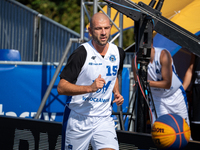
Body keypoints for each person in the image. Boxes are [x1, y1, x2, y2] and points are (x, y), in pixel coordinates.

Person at [57, 12, 125, 150]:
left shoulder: (118, 52)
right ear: (90, 31)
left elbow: (113, 76)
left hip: (104, 118)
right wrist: (90, 88)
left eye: (106, 28)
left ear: (111, 27)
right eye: (98, 29)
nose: (103, 32)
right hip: (78, 118)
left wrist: (116, 92)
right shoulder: (81, 53)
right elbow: (61, 88)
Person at [132, 45, 190, 126]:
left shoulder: (163, 54)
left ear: (151, 43)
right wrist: (139, 84)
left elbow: (167, 84)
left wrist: (146, 83)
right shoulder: (136, 59)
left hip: (175, 96)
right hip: (157, 98)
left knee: (184, 130)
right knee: (160, 130)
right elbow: (138, 81)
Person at [183, 38, 200, 141]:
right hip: (197, 94)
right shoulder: (196, 41)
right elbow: (190, 69)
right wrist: (182, 90)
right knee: (196, 131)